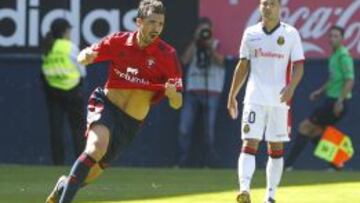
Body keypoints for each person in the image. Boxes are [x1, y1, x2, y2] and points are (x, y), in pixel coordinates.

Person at [45, 0, 183, 202]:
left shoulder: (168, 55)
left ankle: (63, 186)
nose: (157, 28)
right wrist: (85, 56)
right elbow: (88, 53)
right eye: (152, 22)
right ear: (139, 21)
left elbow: (177, 103)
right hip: (106, 105)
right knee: (95, 149)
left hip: (131, 123)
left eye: (161, 24)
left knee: (93, 172)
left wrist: (173, 95)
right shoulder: (119, 41)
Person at [227, 0, 305, 202]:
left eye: (271, 3)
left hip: (280, 101)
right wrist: (232, 95)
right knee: (249, 142)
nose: (267, 7)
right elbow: (243, 65)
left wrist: (292, 87)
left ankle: (270, 196)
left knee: (276, 148)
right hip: (254, 98)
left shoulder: (290, 34)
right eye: (263, 3)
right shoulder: (250, 33)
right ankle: (244, 190)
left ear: (280, 7)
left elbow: (298, 66)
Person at [285, 26, 355, 171]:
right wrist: (320, 91)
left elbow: (350, 80)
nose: (332, 39)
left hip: (336, 102)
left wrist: (340, 101)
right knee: (316, 132)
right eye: (331, 36)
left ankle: (287, 165)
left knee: (305, 127)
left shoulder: (343, 56)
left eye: (336, 36)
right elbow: (334, 79)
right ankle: (336, 164)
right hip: (330, 100)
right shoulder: (334, 56)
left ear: (342, 39)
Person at [178, 17, 225, 167]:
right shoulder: (194, 45)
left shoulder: (216, 44)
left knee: (209, 132)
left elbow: (221, 62)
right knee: (184, 128)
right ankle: (183, 160)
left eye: (207, 30)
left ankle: (208, 163)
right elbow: (184, 60)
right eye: (202, 30)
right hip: (193, 90)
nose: (205, 33)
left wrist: (210, 46)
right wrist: (195, 41)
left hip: (212, 91)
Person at [41, 19, 87, 165]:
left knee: (56, 130)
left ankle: (57, 163)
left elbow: (44, 71)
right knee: (78, 129)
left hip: (53, 92)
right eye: (69, 31)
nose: (70, 34)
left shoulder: (47, 47)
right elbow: (82, 70)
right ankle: (81, 164)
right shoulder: (69, 47)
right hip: (72, 91)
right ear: (64, 32)